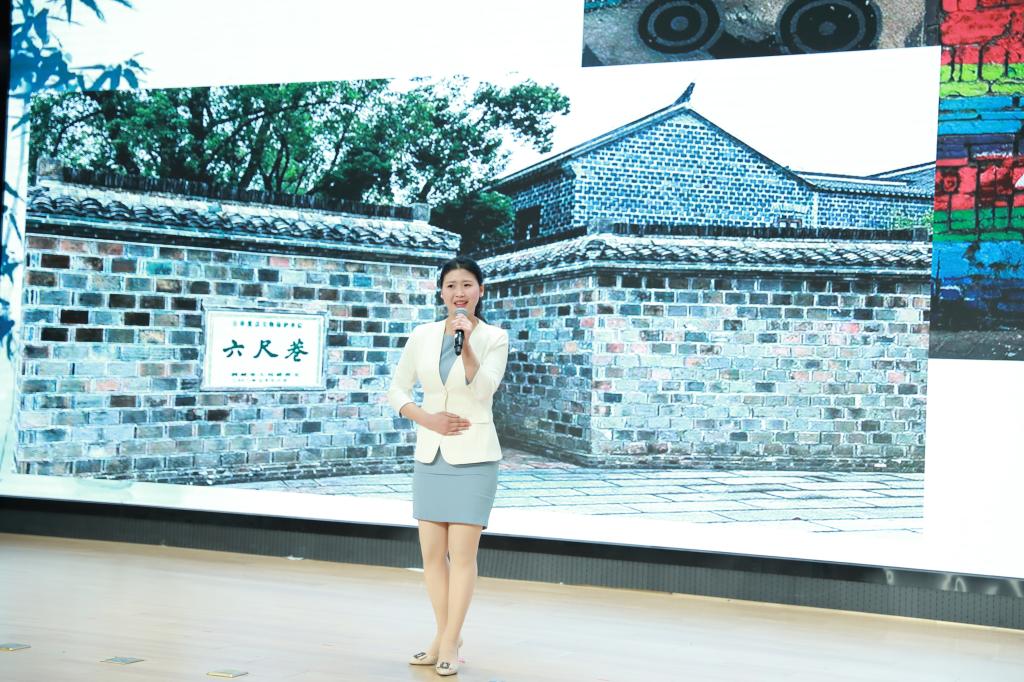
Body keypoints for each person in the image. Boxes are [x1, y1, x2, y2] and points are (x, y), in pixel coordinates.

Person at [386, 256, 510, 677]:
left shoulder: (494, 337)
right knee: (431, 556)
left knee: (462, 555)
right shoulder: (421, 335)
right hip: (431, 455)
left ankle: (449, 641)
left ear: (480, 291)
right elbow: (397, 389)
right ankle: (445, 638)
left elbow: (484, 389)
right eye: (452, 285)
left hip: (474, 457)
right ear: (441, 292)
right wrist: (427, 419)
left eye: (467, 284)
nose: (460, 292)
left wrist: (467, 342)